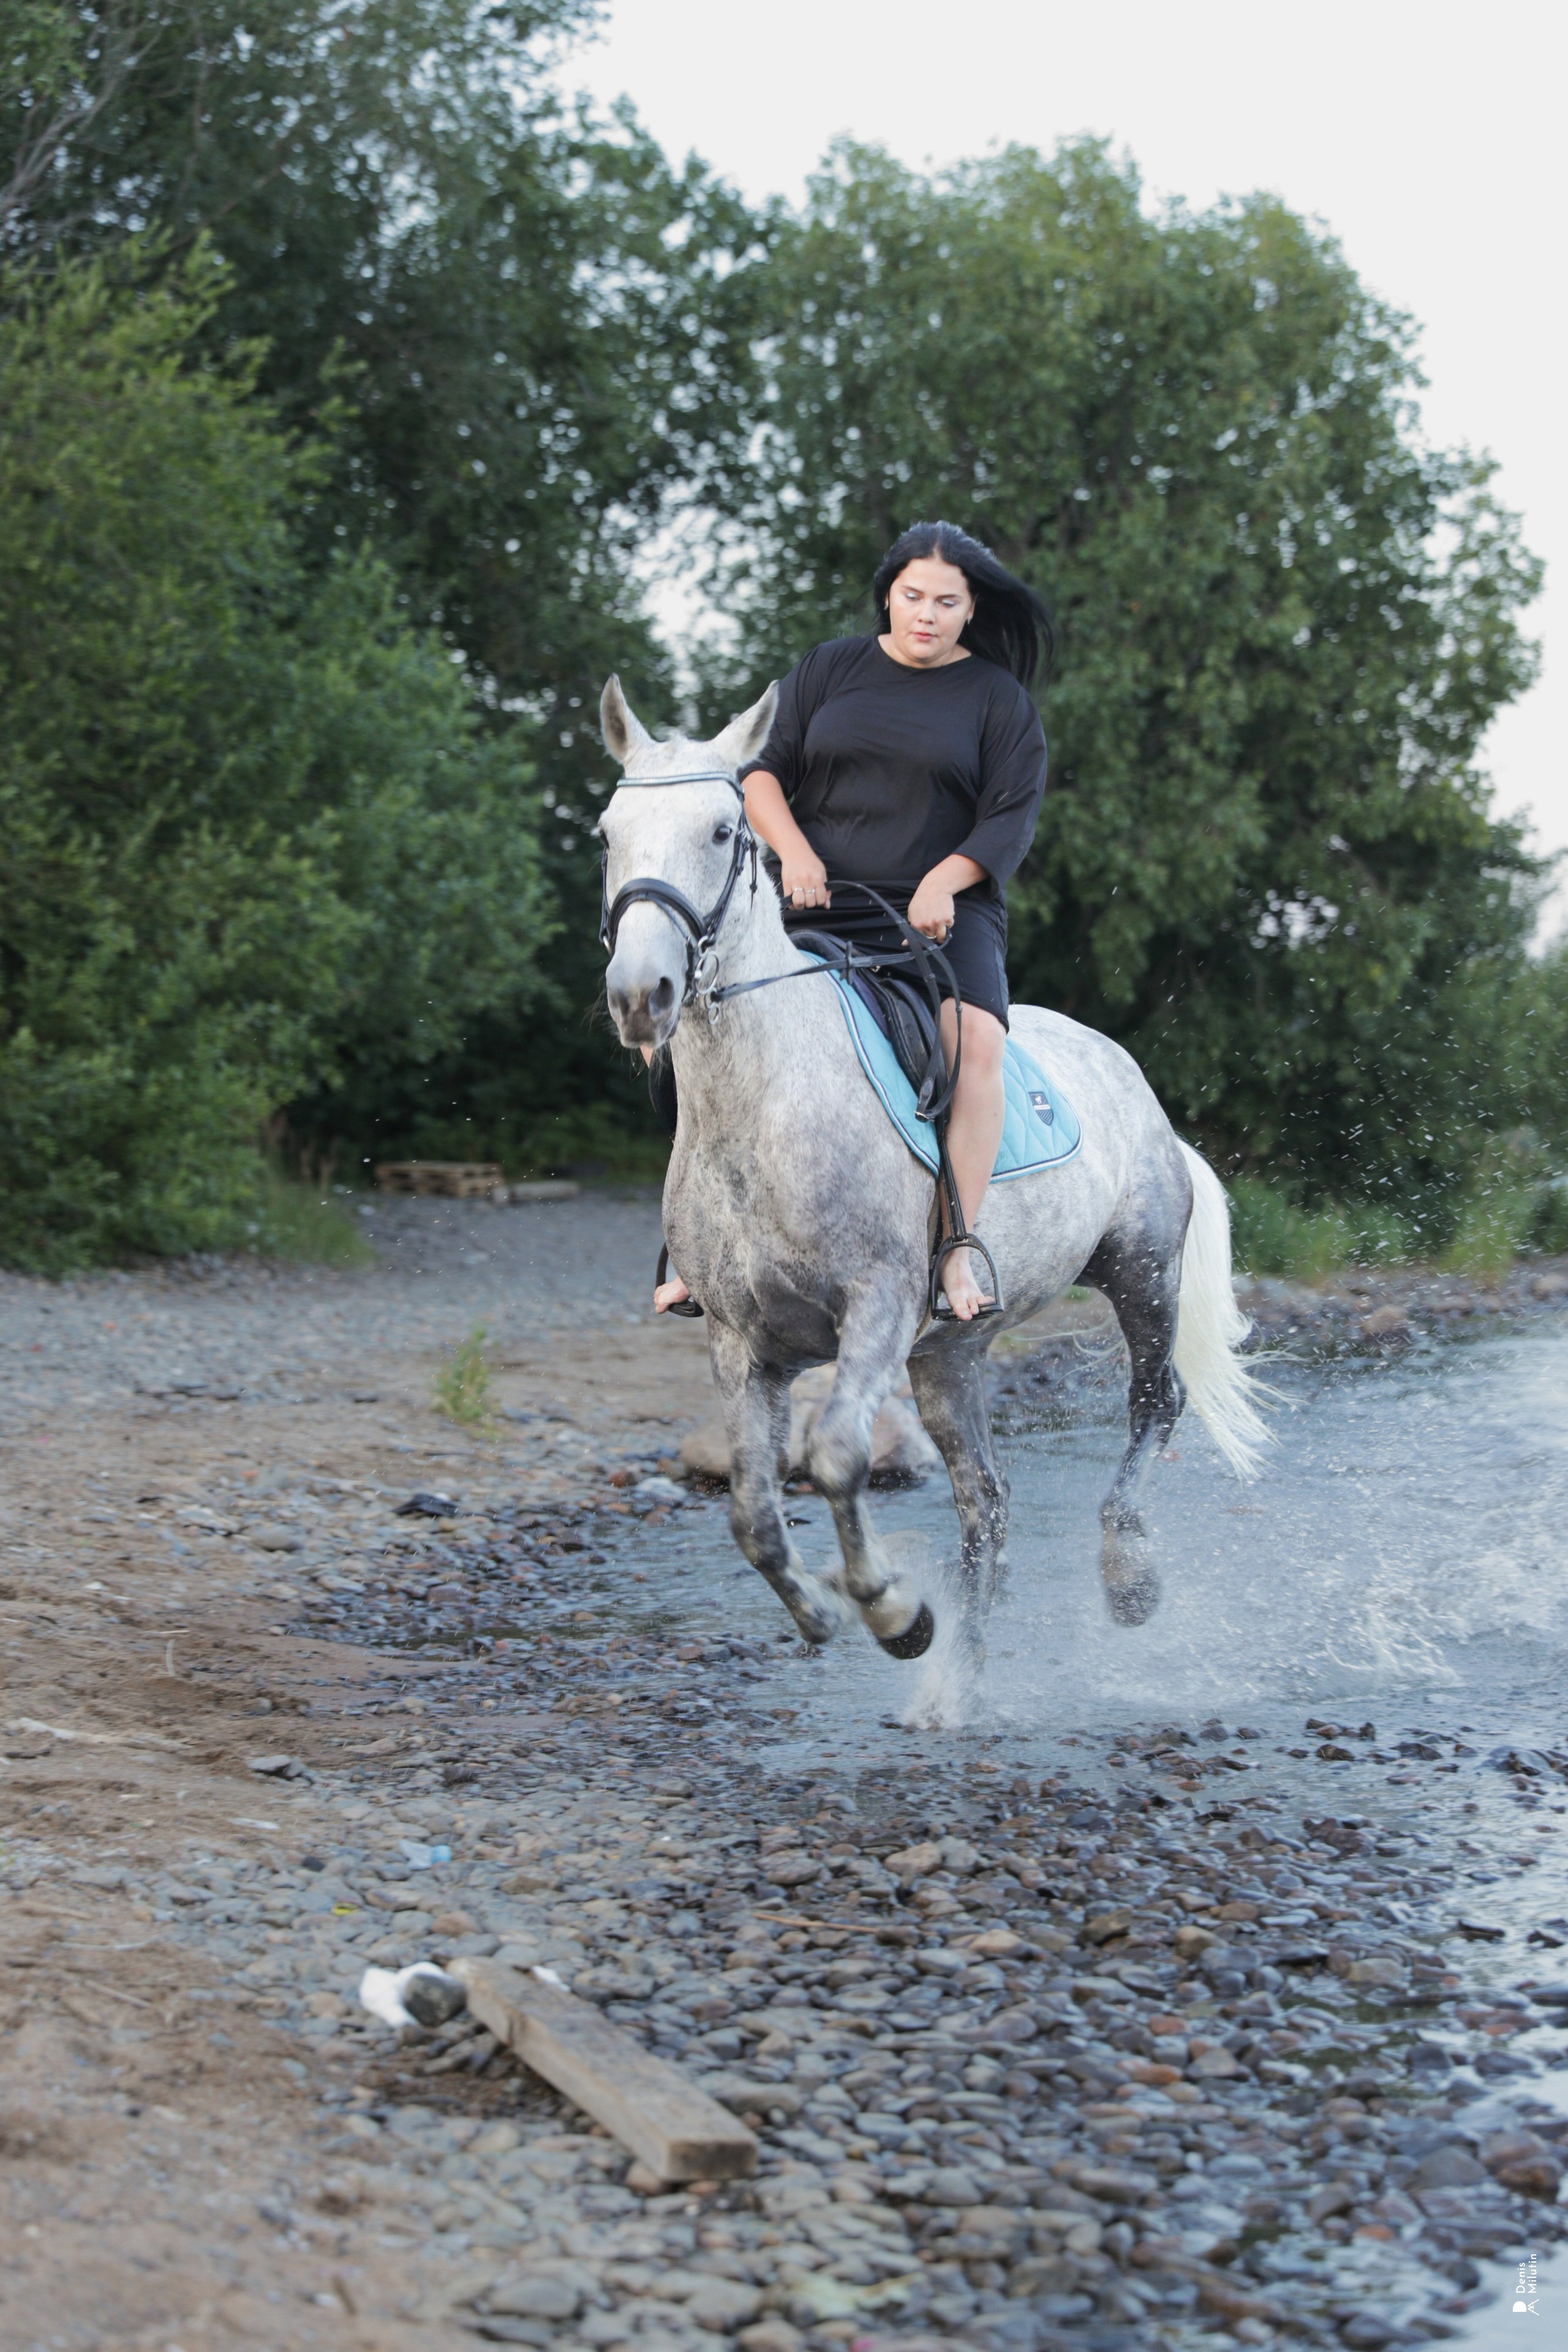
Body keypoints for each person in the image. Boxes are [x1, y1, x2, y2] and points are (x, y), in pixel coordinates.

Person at [654, 519, 1050, 1320]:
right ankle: (698, 1243)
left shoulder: (998, 701)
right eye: (913, 596)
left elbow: (1010, 820)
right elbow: (760, 775)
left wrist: (945, 880)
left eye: (946, 602)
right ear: (889, 596)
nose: (927, 614)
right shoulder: (831, 668)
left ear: (972, 609)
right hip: (811, 901)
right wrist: (795, 854)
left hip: (939, 916)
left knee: (975, 1043)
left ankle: (957, 1246)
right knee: (695, 1030)